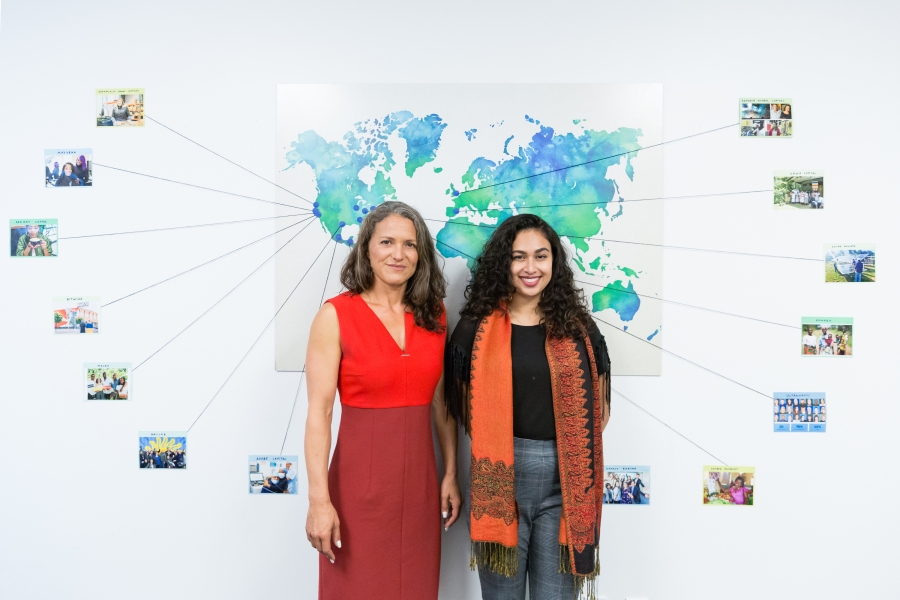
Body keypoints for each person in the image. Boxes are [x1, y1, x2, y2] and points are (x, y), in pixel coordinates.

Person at [445, 213, 611, 599]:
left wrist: (567, 452)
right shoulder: (475, 327)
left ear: (554, 262)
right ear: (504, 263)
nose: (530, 267)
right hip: (499, 481)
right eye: (519, 257)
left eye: (541, 256)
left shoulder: (578, 327)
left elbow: (598, 407)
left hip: (564, 486)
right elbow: (454, 404)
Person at [304, 201, 459, 600]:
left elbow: (443, 402)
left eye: (410, 244)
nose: (398, 253)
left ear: (420, 254)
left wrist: (451, 473)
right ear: (366, 250)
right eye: (387, 241)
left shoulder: (435, 315)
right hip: (357, 493)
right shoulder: (335, 316)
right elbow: (319, 415)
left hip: (420, 490)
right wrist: (319, 502)